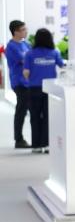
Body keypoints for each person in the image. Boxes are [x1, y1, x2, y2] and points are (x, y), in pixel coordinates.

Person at [22, 28, 64, 154]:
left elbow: (26, 72)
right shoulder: (54, 53)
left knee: (34, 116)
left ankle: (36, 145)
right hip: (50, 88)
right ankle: (46, 144)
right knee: (48, 117)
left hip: (34, 88)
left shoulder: (29, 54)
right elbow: (62, 65)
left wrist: (33, 78)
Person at [5, 20, 31, 149]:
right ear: (15, 32)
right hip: (19, 82)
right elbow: (24, 60)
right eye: (23, 29)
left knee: (26, 109)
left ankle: (23, 138)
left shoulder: (26, 44)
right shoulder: (10, 47)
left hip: (29, 83)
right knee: (21, 110)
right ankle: (18, 139)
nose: (26, 32)